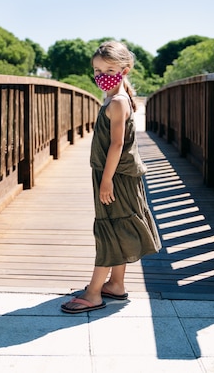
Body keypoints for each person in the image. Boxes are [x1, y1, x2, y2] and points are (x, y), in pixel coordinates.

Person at [61, 40, 162, 314]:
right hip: (116, 174)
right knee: (118, 226)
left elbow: (117, 145)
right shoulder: (116, 99)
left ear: (125, 70)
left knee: (109, 228)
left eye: (108, 69)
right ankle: (116, 284)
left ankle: (94, 293)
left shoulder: (117, 102)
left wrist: (106, 181)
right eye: (96, 70)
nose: (100, 75)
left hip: (114, 176)